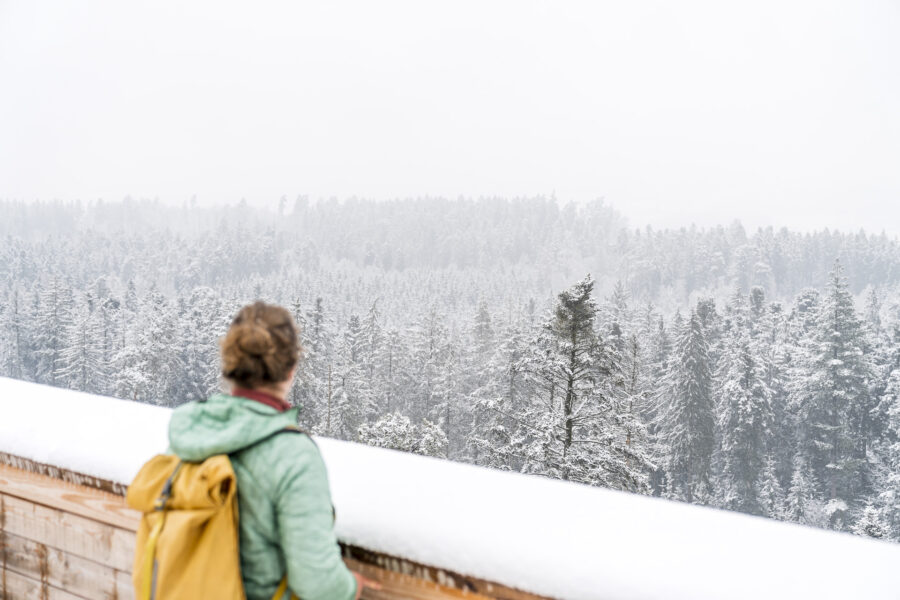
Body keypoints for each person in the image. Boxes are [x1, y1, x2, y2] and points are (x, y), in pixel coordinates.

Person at [167, 301, 377, 600]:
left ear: (229, 368)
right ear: (291, 369)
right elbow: (317, 583)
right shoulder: (293, 456)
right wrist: (351, 585)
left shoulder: (193, 433)